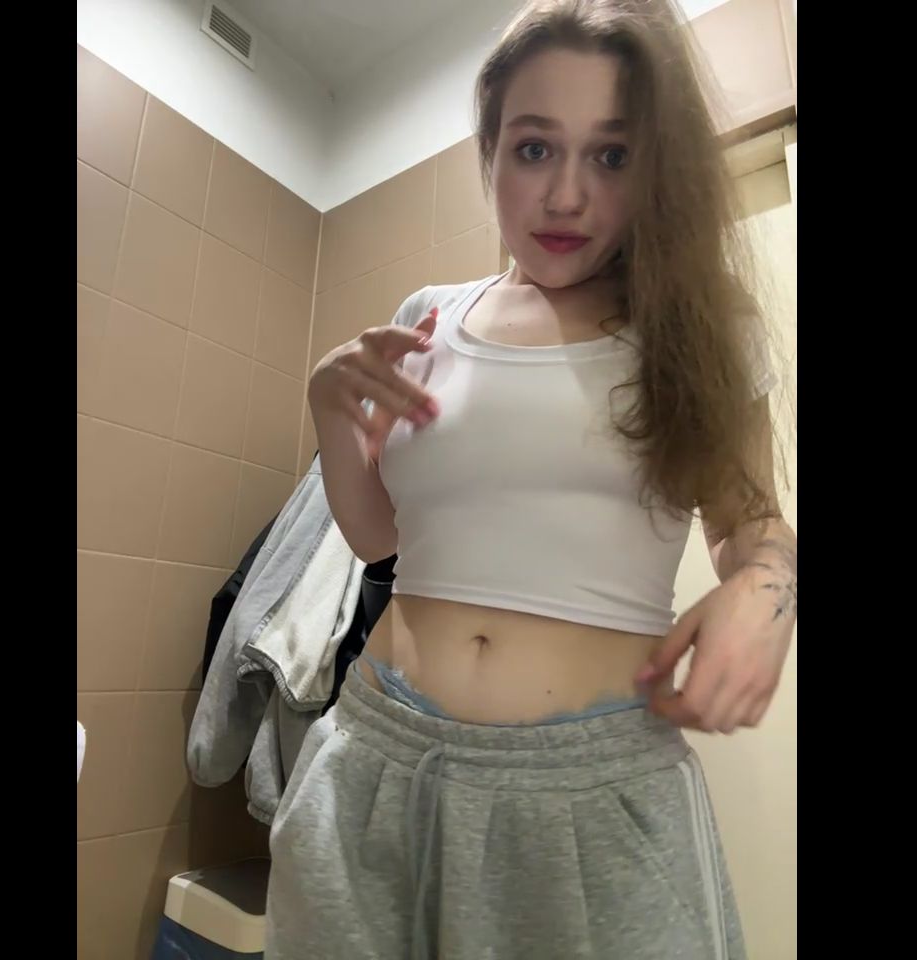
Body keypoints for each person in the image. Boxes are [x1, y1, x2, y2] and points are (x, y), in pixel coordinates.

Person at [266, 1, 796, 957]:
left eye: (613, 155)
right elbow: (382, 541)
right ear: (492, 149)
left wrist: (766, 588)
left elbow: (752, 528)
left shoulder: (699, 334)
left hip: (592, 791)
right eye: (535, 148)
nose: (565, 196)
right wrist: (328, 414)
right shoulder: (429, 317)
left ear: (657, 167)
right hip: (372, 762)